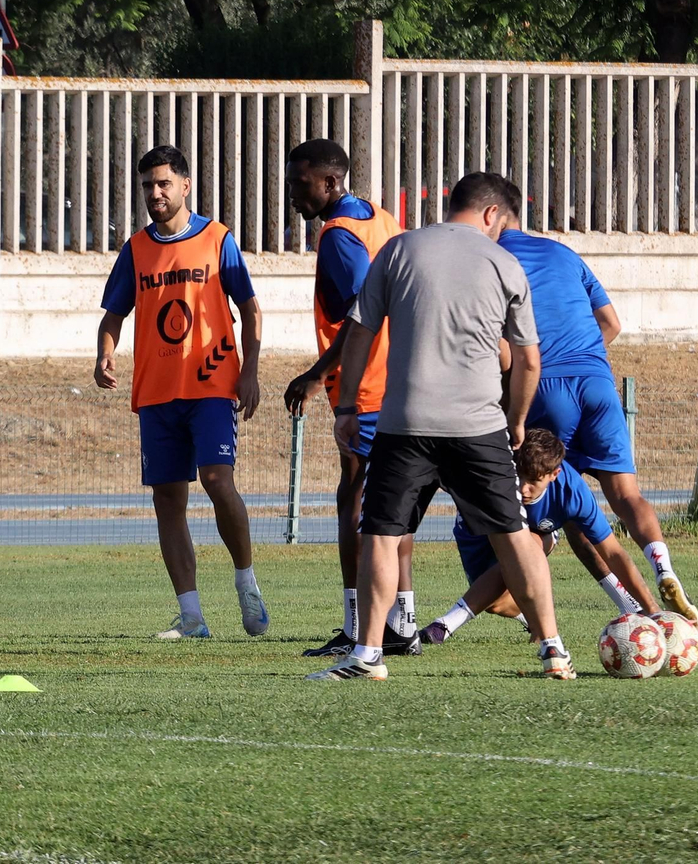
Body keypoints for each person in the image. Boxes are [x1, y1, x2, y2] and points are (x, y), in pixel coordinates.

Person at [307, 172, 574, 681]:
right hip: (478, 424)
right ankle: (553, 650)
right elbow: (528, 361)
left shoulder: (399, 248)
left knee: (382, 534)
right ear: (492, 214)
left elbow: (360, 332)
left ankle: (367, 655)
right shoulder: (504, 263)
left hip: (404, 421)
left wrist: (346, 407)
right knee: (514, 535)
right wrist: (515, 422)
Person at [494, 198, 698, 627]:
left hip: (544, 386)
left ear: (493, 216)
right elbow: (611, 322)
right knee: (627, 495)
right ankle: (663, 567)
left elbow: (501, 350)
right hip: (596, 382)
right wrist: (583, 357)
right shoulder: (565, 254)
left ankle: (626, 605)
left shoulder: (493, 259)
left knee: (568, 504)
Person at [94, 144, 267, 640]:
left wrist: (249, 369)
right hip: (155, 392)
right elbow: (114, 314)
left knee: (217, 480)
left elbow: (250, 309)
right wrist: (105, 352)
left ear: (185, 185)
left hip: (211, 383)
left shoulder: (217, 239)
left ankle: (245, 582)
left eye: (164, 183)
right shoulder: (136, 249)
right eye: (148, 185)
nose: (155, 193)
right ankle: (191, 616)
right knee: (168, 501)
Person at [280, 138, 419, 658]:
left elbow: (361, 316)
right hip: (400, 377)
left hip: (365, 388)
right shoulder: (379, 219)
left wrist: (317, 374)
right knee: (392, 504)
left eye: (300, 183)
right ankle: (401, 622)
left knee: (356, 500)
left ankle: (362, 626)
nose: (293, 193)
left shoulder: (339, 236)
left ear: (330, 182)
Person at [421, 429, 663, 645]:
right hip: (476, 534)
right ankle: (534, 620)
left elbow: (613, 552)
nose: (523, 489)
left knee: (530, 544)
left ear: (554, 474)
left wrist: (652, 610)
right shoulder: (499, 479)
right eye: (520, 476)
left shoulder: (573, 493)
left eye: (534, 481)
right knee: (496, 603)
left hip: (537, 537)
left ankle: (444, 625)